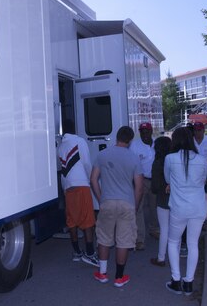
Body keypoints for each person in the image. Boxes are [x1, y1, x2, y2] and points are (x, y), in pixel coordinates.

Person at [90, 126, 144, 288]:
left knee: (104, 238)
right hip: (126, 203)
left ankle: (103, 273)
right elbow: (139, 187)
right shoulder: (134, 158)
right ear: (130, 140)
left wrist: (101, 199)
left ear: (117, 137)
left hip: (107, 201)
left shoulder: (102, 155)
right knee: (123, 240)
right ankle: (119, 277)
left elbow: (93, 180)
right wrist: (134, 206)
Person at [164, 127, 207, 296]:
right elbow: (203, 181)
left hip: (179, 207)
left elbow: (168, 179)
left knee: (173, 242)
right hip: (198, 207)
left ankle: (176, 280)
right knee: (192, 244)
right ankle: (188, 282)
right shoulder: (202, 159)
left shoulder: (170, 158)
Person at [57, 119, 98, 267]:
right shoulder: (80, 142)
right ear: (75, 128)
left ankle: (76, 252)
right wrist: (89, 179)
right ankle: (90, 252)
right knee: (88, 220)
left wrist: (64, 188)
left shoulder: (61, 147)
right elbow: (87, 163)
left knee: (72, 220)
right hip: (82, 184)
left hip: (68, 187)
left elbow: (63, 170)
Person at [129, 122, 158, 250]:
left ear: (151, 131)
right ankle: (139, 239)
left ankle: (154, 229)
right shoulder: (134, 146)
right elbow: (131, 165)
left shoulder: (157, 143)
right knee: (138, 208)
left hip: (156, 180)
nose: (144, 134)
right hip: (141, 180)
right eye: (142, 131)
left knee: (155, 207)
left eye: (147, 131)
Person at [149, 136, 173, 267]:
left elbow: (155, 185)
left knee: (164, 229)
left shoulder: (157, 162)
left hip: (162, 199)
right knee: (175, 229)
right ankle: (175, 254)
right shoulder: (174, 160)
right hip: (176, 199)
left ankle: (161, 257)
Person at [192, 121, 207, 194]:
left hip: (206, 169)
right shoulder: (189, 142)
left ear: (203, 130)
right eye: (195, 130)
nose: (197, 132)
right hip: (192, 170)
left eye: (199, 130)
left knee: (206, 190)